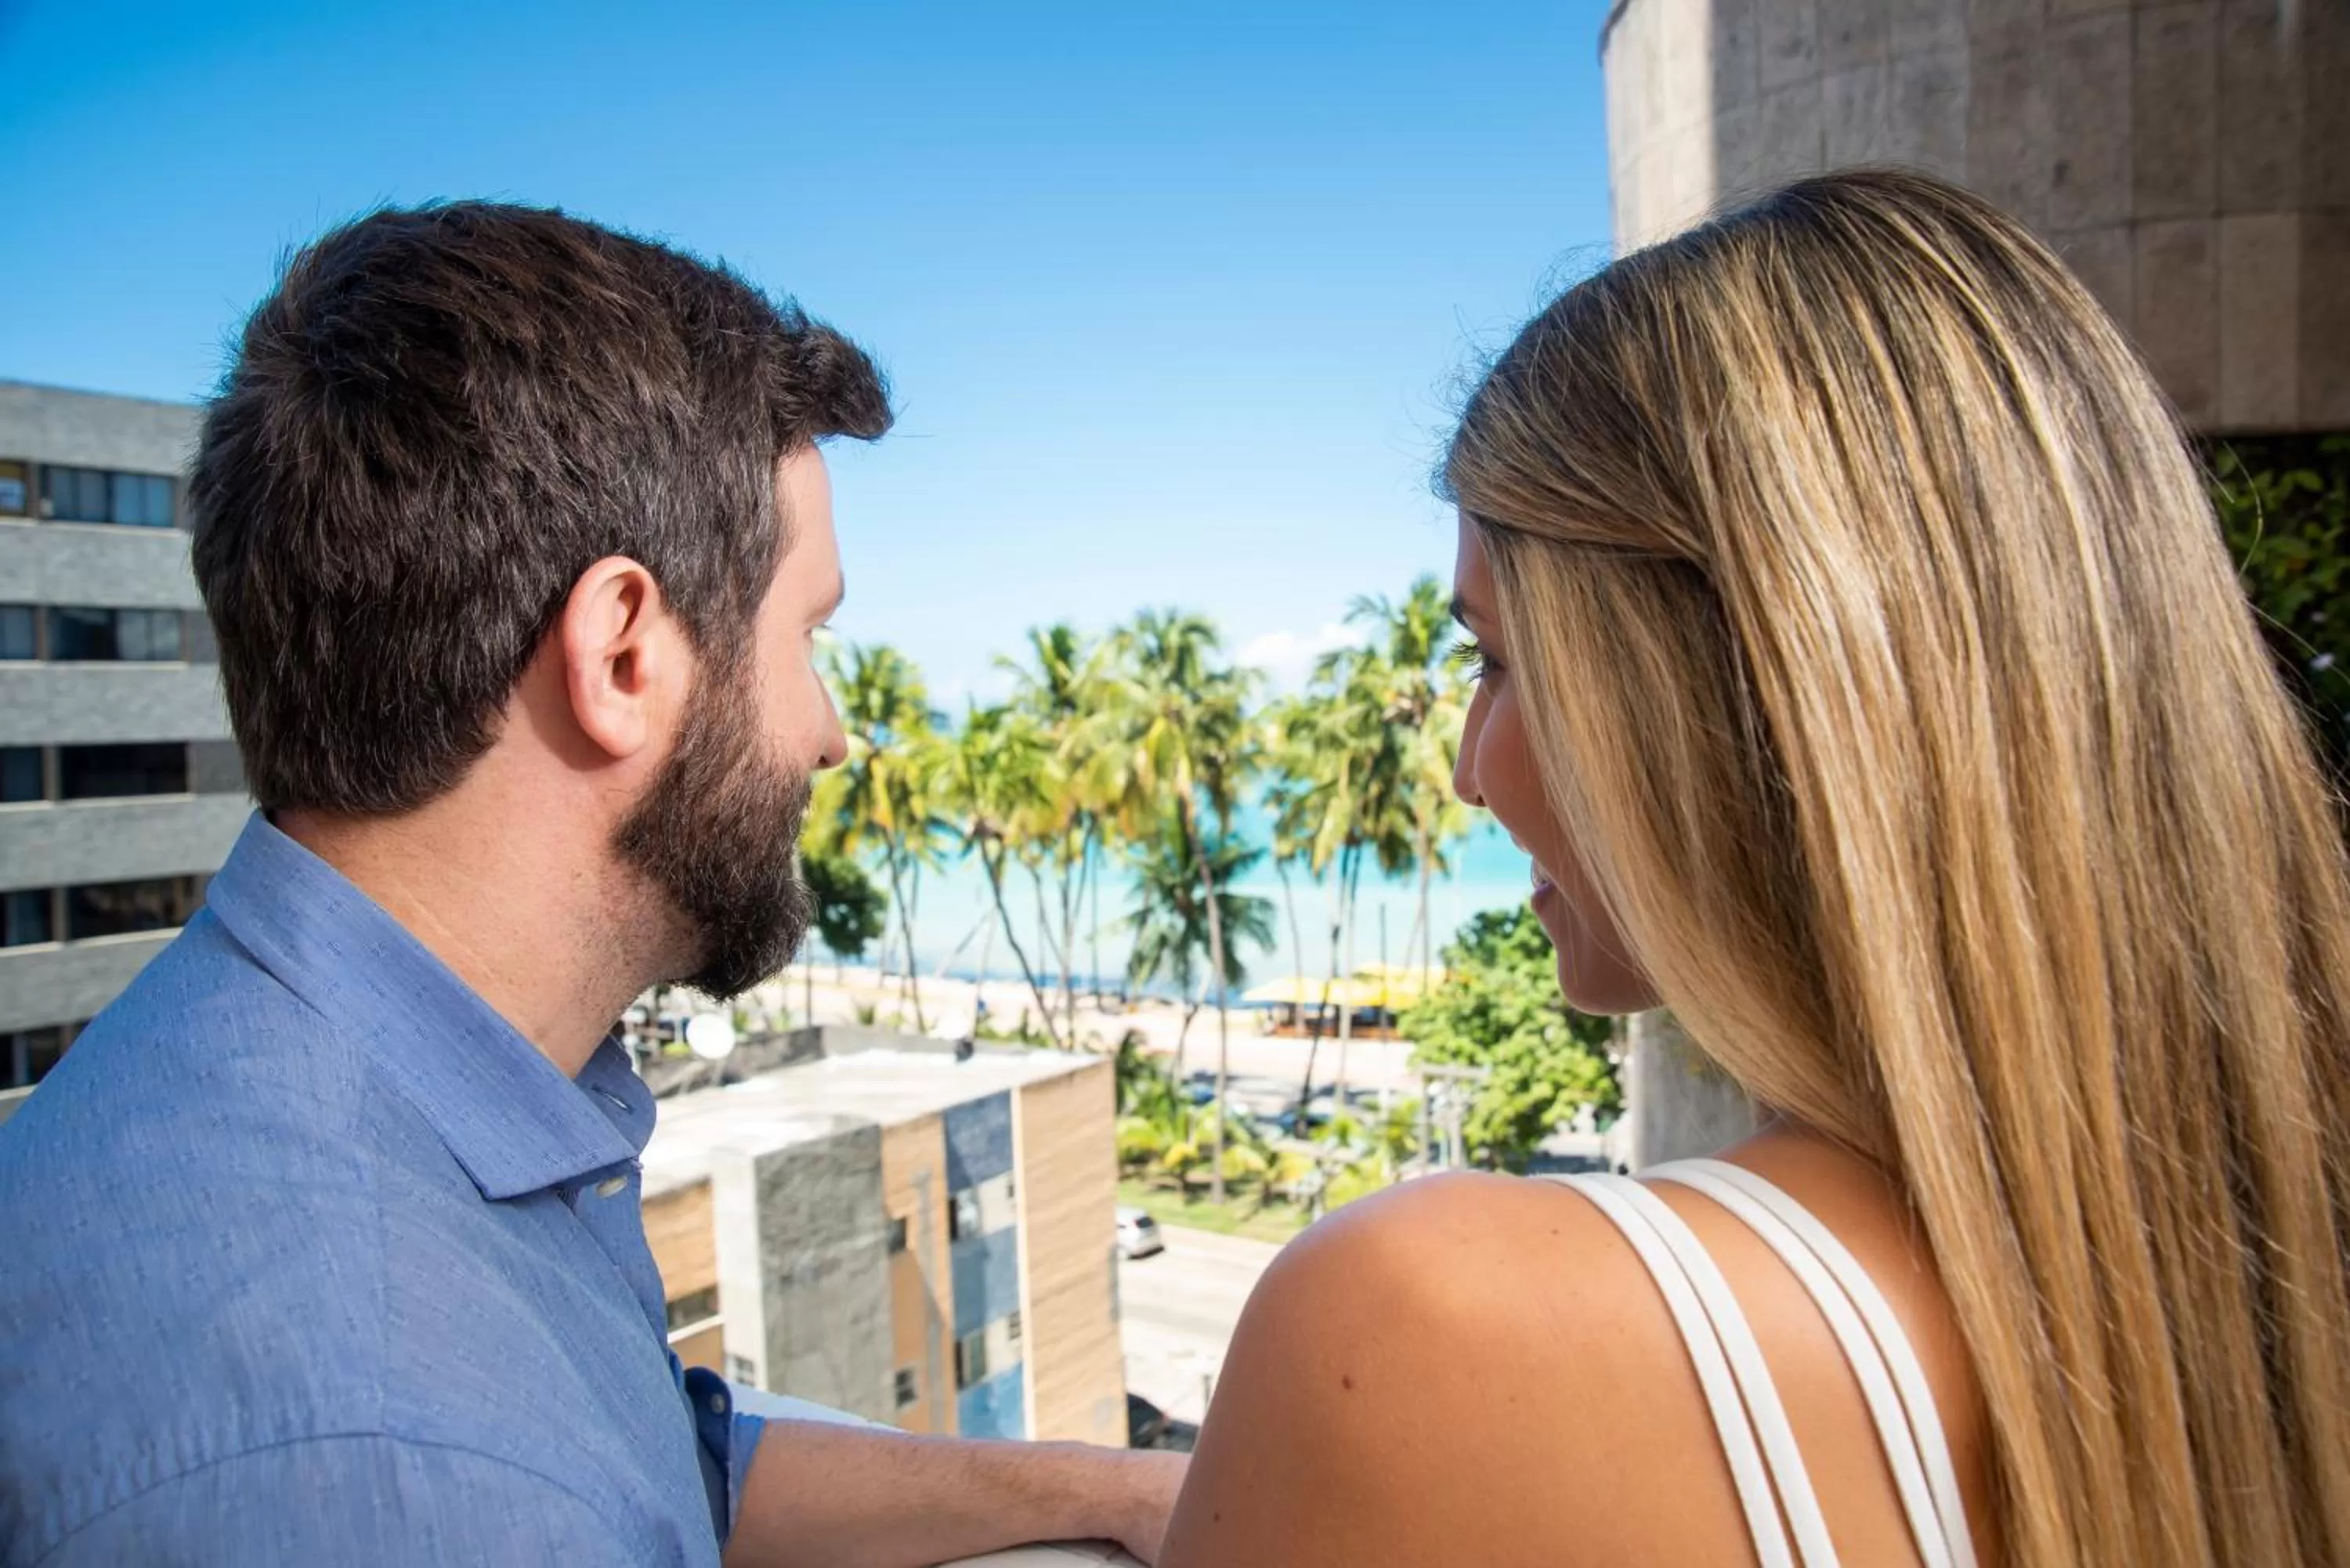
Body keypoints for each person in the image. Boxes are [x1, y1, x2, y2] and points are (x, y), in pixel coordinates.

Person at [1158, 169, 2350, 1567]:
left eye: (1498, 661)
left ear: (1716, 690)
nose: (1471, 766)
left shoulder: (1427, 1329)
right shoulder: (2258, 1275)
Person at [0, 204, 1181, 1566]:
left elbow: (656, 1464)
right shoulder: (399, 1470)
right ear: (623, 654)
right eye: (809, 634)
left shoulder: (294, 1071)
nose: (831, 729)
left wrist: (1106, 1492)